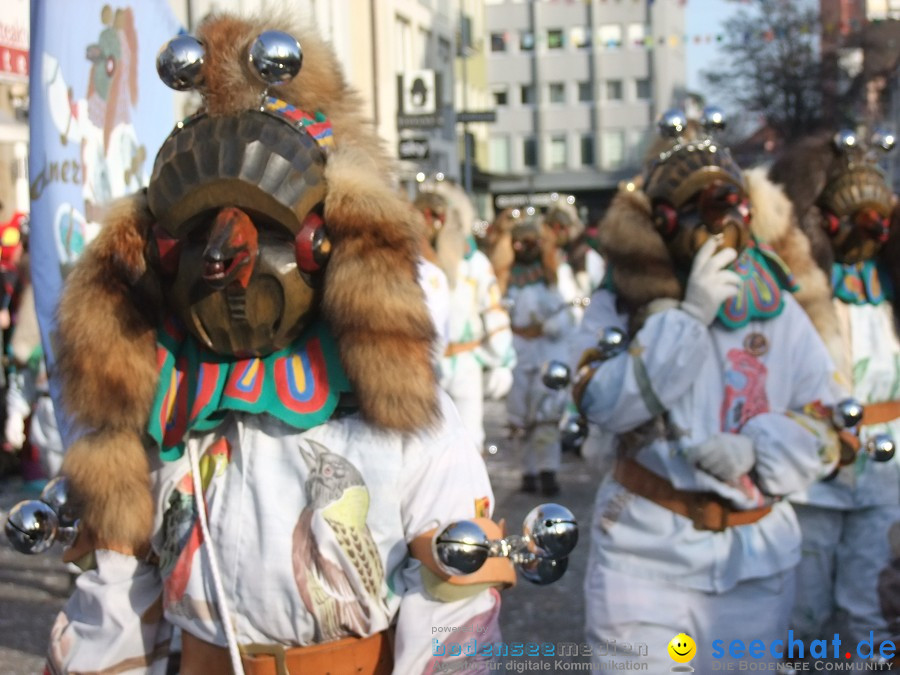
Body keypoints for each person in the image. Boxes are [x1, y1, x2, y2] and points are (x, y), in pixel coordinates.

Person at [42, 14, 513, 674]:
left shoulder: (400, 415)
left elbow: (456, 607)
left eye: (263, 223)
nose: (223, 258)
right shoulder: (160, 406)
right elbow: (113, 605)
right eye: (200, 227)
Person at [575, 110, 845, 672]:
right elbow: (600, 402)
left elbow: (828, 419)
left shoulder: (778, 308)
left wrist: (760, 447)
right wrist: (687, 319)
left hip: (755, 564)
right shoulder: (618, 302)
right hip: (644, 558)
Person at [769, 129, 900, 665]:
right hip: (814, 474)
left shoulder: (890, 279)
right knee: (805, 612)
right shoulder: (795, 284)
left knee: (876, 607)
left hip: (887, 470)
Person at [413, 180, 515, 451]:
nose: (430, 223)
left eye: (437, 216)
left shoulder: (474, 264)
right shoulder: (411, 264)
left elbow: (492, 307)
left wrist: (501, 360)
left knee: (469, 440)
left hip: (465, 363)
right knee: (426, 445)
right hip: (421, 367)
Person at [501, 215, 577, 496]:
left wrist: (546, 327)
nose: (524, 248)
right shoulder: (506, 278)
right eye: (519, 243)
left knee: (546, 414)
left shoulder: (555, 277)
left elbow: (568, 315)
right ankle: (527, 471)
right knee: (520, 416)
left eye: (530, 242)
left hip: (546, 351)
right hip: (518, 352)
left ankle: (548, 471)